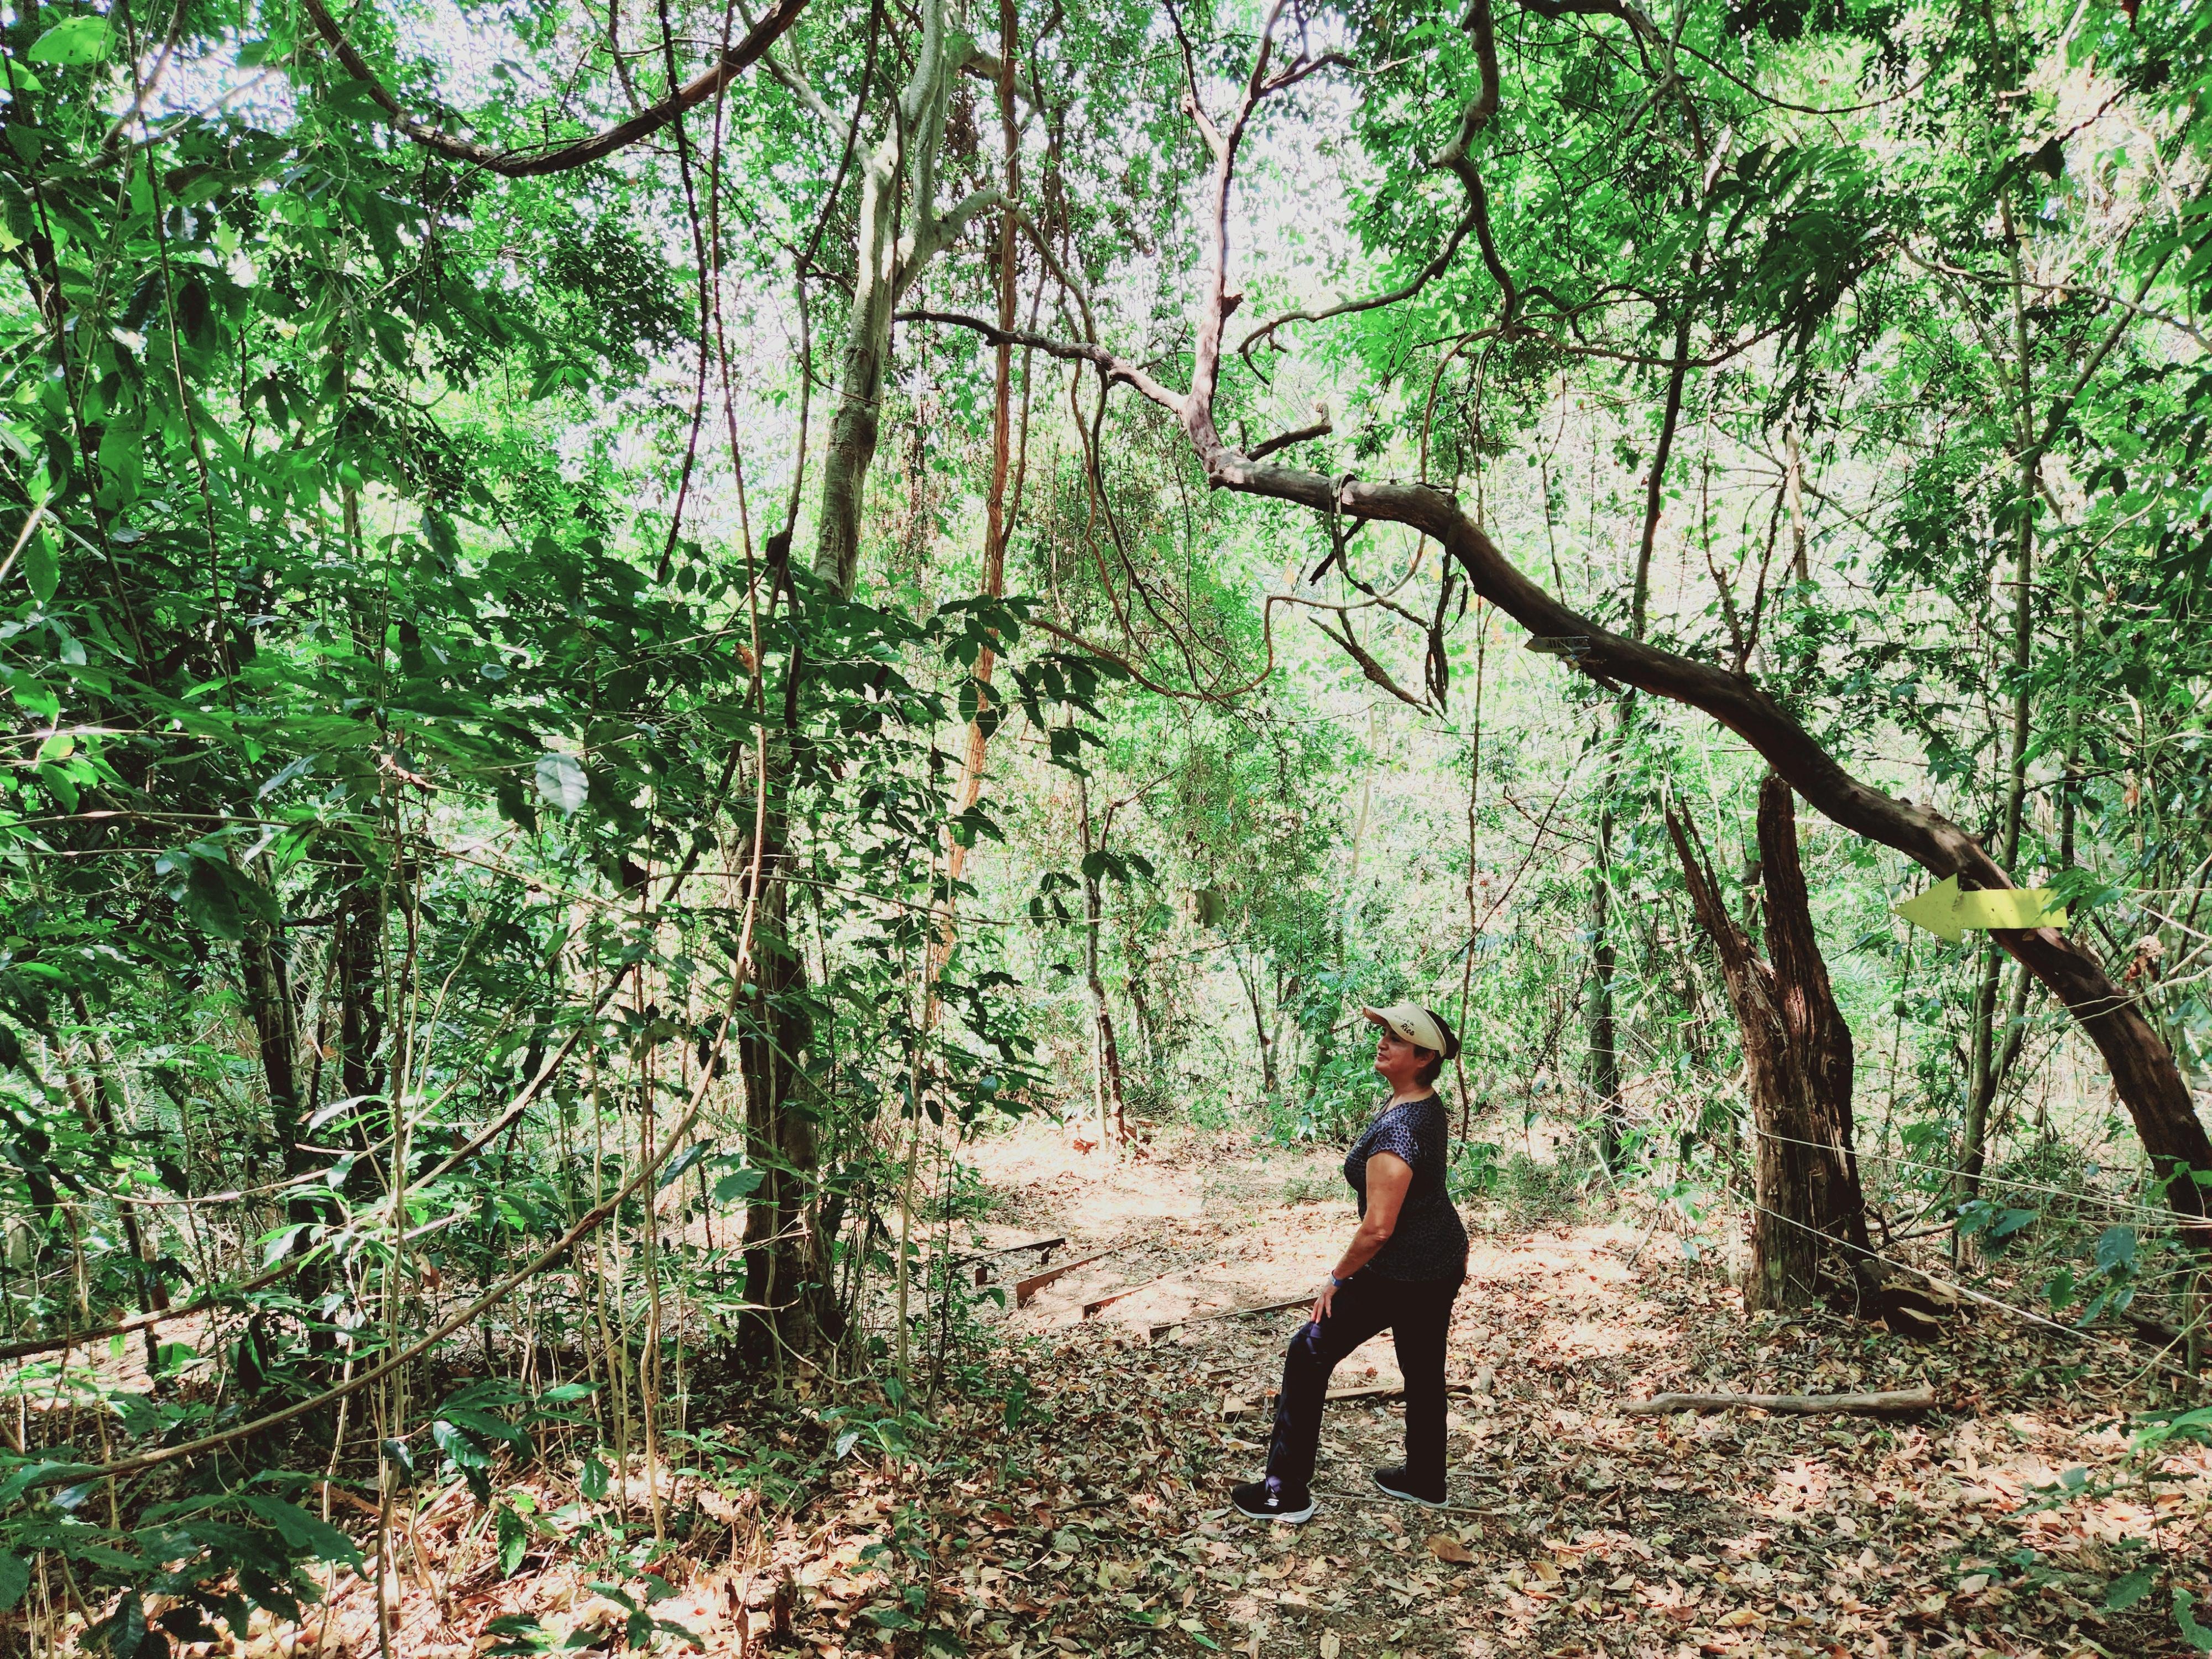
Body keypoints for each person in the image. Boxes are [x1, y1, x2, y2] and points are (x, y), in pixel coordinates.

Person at [1232, 1002, 1469, 1522]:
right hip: (1441, 1258)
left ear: (1425, 1058)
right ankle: (1426, 1480)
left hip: (1405, 1270)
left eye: (1398, 1039)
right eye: (1384, 1033)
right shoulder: (1420, 1102)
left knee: (1308, 1350)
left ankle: (1284, 1491)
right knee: (1423, 1369)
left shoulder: (1402, 1130)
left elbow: (1379, 1228)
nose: (1383, 1043)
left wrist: (1337, 1278)